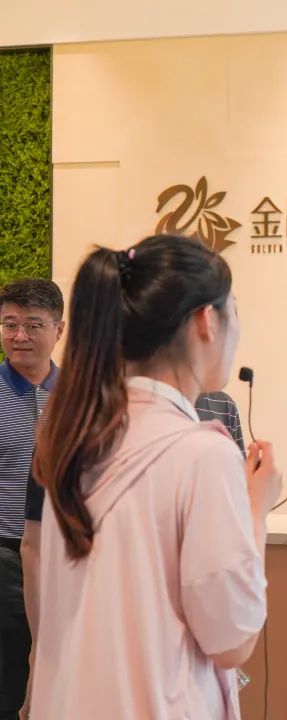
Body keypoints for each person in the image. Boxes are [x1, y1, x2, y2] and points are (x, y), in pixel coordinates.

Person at [28, 234, 282, 719]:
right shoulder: (202, 454)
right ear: (206, 321)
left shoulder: (74, 440)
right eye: (234, 311)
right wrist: (256, 509)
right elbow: (232, 640)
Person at [0, 278, 63, 720]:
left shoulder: (82, 396)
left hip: (67, 564)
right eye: (10, 324)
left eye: (33, 325)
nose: (19, 335)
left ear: (59, 329)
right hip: (5, 560)